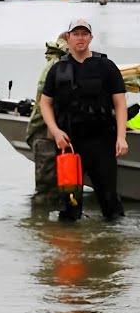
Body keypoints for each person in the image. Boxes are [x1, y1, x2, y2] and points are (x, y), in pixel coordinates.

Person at [39, 18, 128, 221]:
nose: (80, 38)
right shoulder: (57, 69)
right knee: (70, 204)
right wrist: (55, 132)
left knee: (110, 203)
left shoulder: (106, 66)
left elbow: (120, 103)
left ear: (90, 37)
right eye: (76, 34)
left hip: (102, 142)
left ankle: (111, 248)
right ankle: (71, 248)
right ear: (68, 38)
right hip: (69, 145)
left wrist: (121, 137)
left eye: (84, 34)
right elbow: (45, 103)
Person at [25, 32, 69, 205]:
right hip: (45, 133)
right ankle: (41, 226)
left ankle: (48, 228)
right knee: (46, 190)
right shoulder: (56, 66)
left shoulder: (62, 64)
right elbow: (45, 103)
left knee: (62, 188)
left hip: (55, 132)